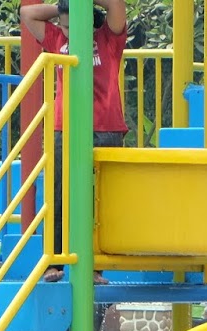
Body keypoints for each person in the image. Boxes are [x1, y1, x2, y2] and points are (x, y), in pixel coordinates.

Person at [22, 0, 127, 285]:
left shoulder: (107, 39)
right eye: (63, 25)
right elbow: (27, 13)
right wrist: (64, 6)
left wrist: (86, 2)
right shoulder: (57, 39)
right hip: (65, 126)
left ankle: (95, 266)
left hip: (105, 126)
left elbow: (117, 5)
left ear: (88, 22)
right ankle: (53, 262)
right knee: (58, 193)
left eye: (71, 25)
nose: (65, 30)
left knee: (99, 198)